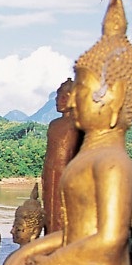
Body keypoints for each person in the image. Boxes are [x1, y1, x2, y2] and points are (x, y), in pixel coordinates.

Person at [0, 0, 132, 265]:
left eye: (81, 93)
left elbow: (110, 241)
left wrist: (49, 264)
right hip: (78, 263)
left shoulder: (113, 162)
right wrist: (27, 254)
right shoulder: (84, 159)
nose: (73, 102)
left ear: (114, 99)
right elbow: (73, 234)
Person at [42, 79, 82, 234]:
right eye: (57, 97)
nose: (58, 101)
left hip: (67, 174)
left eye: (64, 97)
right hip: (50, 173)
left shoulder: (78, 125)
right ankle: (50, 237)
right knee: (49, 211)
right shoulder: (54, 124)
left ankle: (62, 241)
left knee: (63, 213)